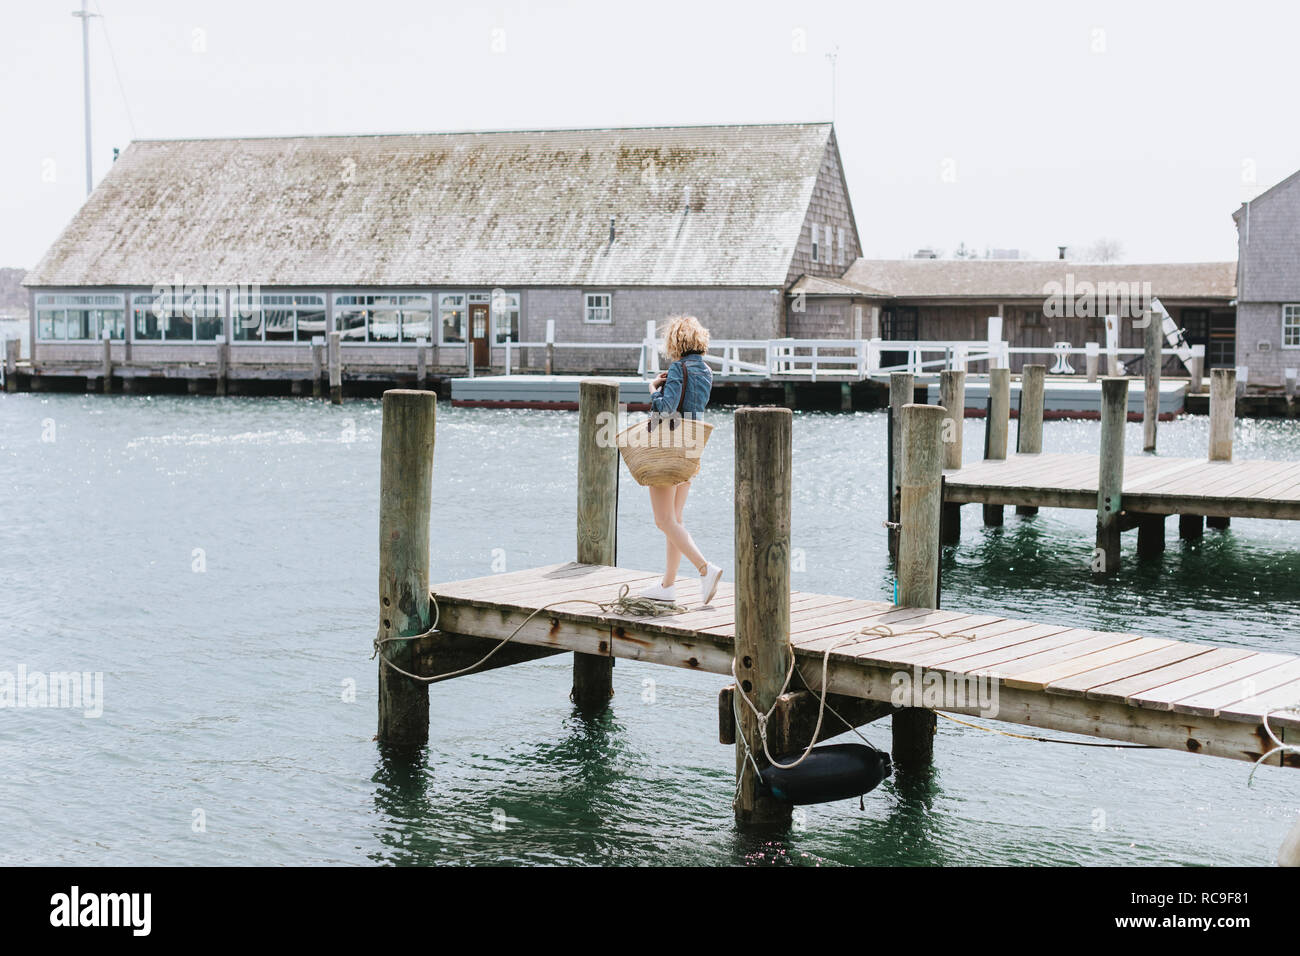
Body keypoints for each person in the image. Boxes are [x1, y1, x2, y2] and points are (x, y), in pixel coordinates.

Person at [640, 315, 723, 605]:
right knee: (675, 519)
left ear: (676, 342)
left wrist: (653, 389)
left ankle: (705, 569)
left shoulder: (678, 368)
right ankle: (668, 586)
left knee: (663, 520)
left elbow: (665, 410)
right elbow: (691, 407)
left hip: (668, 446)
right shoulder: (707, 371)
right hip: (692, 447)